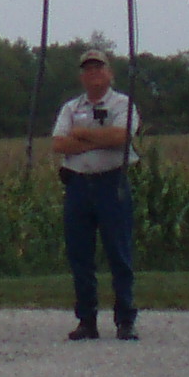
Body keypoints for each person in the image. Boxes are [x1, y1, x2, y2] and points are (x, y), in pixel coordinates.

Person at [50, 49, 141, 341]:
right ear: (81, 76)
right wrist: (100, 139)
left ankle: (125, 318)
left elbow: (121, 136)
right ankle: (86, 320)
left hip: (111, 183)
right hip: (77, 184)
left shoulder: (122, 104)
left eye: (98, 68)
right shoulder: (70, 108)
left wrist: (82, 134)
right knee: (80, 256)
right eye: (88, 70)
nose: (93, 74)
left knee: (119, 253)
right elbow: (59, 143)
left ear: (109, 73)